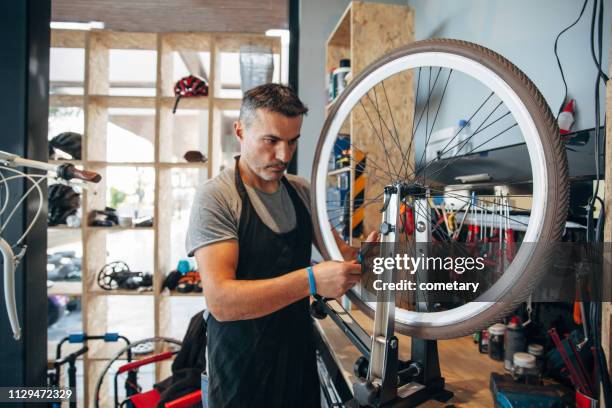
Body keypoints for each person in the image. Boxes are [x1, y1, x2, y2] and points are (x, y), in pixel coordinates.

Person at [186, 83, 372, 408]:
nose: (284, 155)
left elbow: (341, 255)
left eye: (292, 141)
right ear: (240, 131)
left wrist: (373, 253)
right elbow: (221, 301)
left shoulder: (300, 191)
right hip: (240, 370)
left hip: (297, 356)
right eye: (271, 141)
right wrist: (311, 280)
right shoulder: (216, 198)